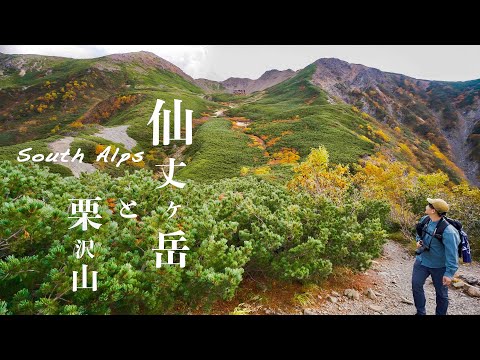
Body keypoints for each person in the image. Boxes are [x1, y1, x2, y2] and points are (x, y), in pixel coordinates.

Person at [411, 198, 460, 315]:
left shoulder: (449, 231)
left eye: (429, 205)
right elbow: (419, 234)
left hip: (439, 267)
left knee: (441, 294)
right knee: (416, 285)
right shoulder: (425, 219)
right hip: (422, 261)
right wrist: (418, 241)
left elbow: (452, 254)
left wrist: (449, 273)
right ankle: (420, 312)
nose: (426, 206)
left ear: (433, 210)